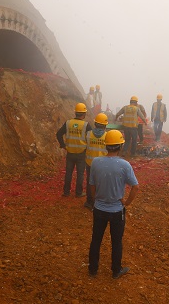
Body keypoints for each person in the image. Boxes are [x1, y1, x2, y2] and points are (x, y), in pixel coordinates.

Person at [88, 130, 139, 279]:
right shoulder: (124, 165)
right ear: (120, 146)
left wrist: (96, 198)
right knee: (116, 242)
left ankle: (92, 269)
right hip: (117, 211)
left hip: (98, 209)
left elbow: (91, 184)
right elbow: (135, 187)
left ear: (106, 146)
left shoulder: (96, 162)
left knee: (96, 239)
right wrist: (127, 202)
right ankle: (116, 270)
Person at [56, 103, 92, 197]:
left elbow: (59, 134)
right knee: (80, 174)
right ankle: (78, 193)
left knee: (68, 173)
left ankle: (66, 192)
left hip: (70, 152)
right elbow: (91, 138)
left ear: (75, 112)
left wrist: (63, 145)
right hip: (81, 153)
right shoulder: (86, 125)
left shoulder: (68, 123)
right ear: (84, 114)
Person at [84, 113, 109, 210]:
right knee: (101, 183)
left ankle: (89, 201)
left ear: (95, 124)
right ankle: (99, 203)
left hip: (90, 162)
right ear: (105, 125)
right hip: (102, 165)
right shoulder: (107, 136)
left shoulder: (88, 134)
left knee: (90, 182)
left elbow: (85, 146)